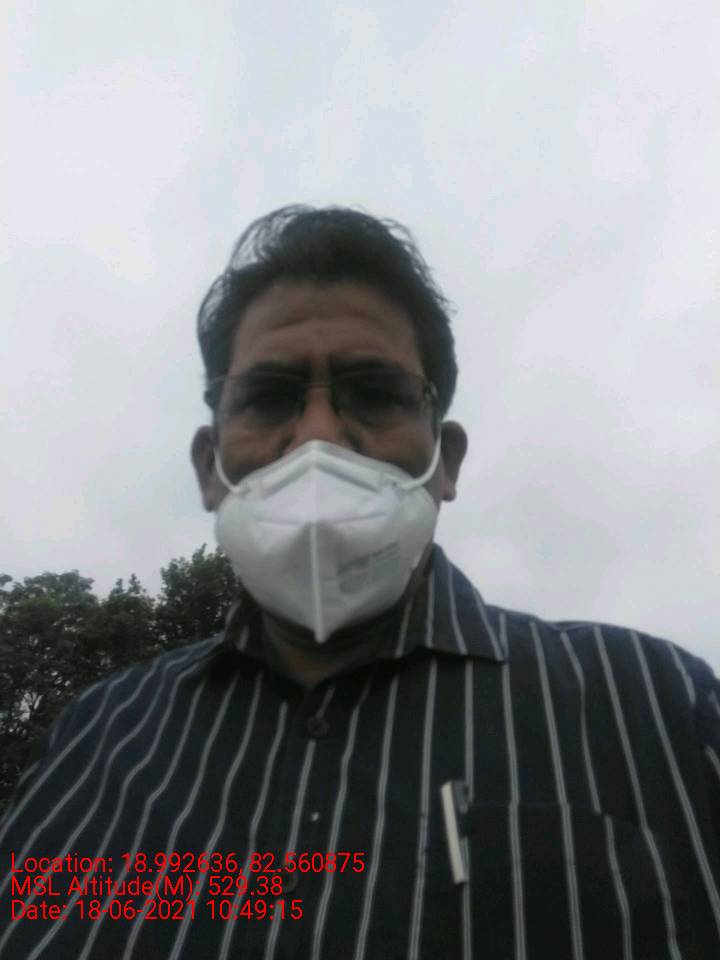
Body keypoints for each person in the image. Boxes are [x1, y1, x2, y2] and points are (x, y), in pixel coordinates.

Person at [1, 206, 719, 960]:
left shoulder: (657, 708)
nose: (318, 439)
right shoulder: (94, 744)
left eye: (374, 393)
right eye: (270, 397)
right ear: (210, 469)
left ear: (444, 461)